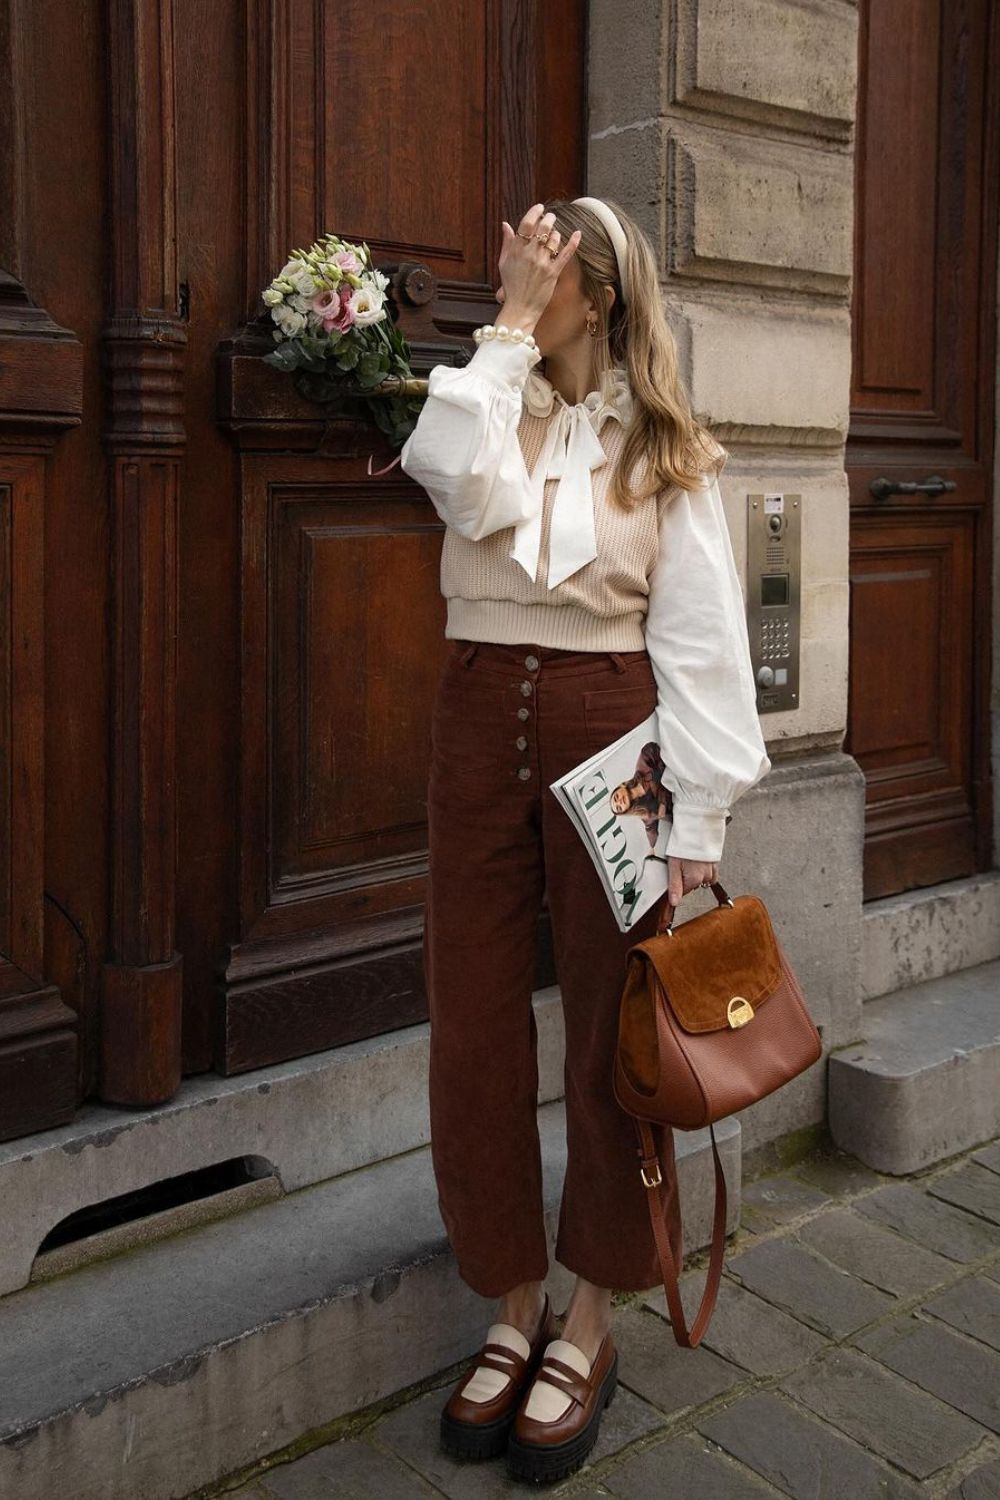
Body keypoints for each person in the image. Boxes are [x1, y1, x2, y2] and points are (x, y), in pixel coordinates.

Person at [399, 196, 771, 1484]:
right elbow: (449, 475)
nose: (518, 260)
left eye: (545, 256)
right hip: (475, 726)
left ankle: (594, 1315)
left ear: (597, 293)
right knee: (475, 1019)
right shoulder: (485, 402)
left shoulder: (663, 449)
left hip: (619, 745)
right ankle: (512, 1301)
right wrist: (503, 329)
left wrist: (697, 822)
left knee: (619, 1035)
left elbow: (704, 646)